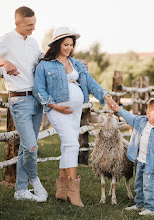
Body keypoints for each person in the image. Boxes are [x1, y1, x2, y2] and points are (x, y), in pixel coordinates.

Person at [33, 26, 117, 207]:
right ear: (57, 44)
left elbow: (91, 83)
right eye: (65, 44)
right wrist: (54, 105)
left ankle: (62, 191)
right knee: (72, 144)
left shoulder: (77, 64)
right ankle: (73, 190)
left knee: (67, 146)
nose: (69, 48)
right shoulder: (45, 65)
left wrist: (106, 97)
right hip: (57, 110)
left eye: (71, 45)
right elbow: (38, 89)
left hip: (75, 111)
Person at [0, 6, 47, 202]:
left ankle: (20, 190)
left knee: (26, 147)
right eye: (29, 25)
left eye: (34, 24)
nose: (33, 28)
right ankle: (34, 180)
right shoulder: (6, 40)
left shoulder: (34, 42)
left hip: (37, 100)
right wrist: (3, 63)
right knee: (31, 147)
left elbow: (42, 61)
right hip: (19, 100)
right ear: (17, 23)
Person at [111, 99, 154, 216]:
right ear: (148, 113)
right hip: (140, 161)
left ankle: (150, 208)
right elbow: (130, 117)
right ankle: (139, 204)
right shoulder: (141, 122)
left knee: (148, 186)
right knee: (138, 184)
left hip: (152, 164)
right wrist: (119, 110)